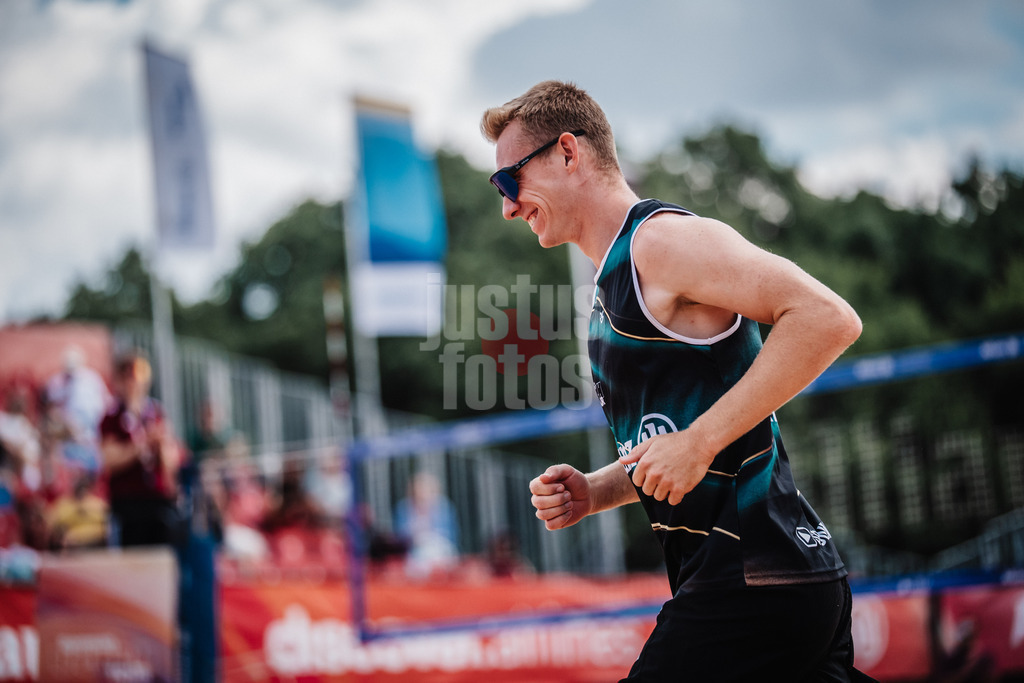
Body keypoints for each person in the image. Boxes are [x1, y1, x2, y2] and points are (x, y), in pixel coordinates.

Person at [481, 81, 874, 681]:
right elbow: (676, 436)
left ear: (568, 152)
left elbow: (828, 319)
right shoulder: (614, 278)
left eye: (509, 182)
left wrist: (700, 441)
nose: (507, 207)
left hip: (750, 580)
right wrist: (599, 489)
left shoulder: (660, 243)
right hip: (773, 576)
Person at [99, 350, 184, 548]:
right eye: (130, 377)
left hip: (157, 500)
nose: (135, 383)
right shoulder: (111, 417)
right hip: (128, 502)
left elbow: (171, 462)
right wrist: (143, 444)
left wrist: (161, 445)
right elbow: (108, 459)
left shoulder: (156, 413)